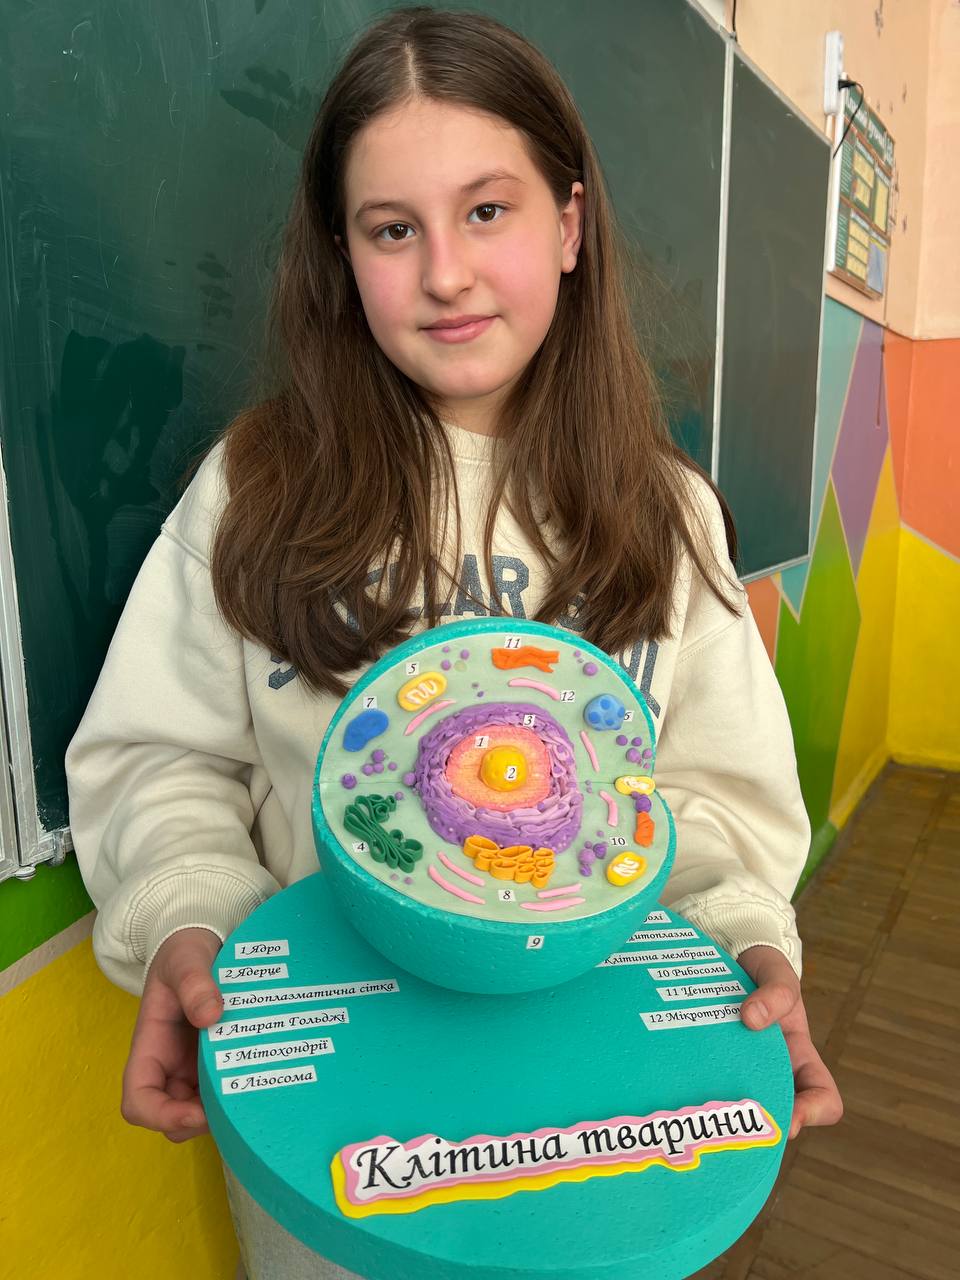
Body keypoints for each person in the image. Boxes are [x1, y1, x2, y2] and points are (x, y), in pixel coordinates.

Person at [65, 5, 842, 1274]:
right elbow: (164, 758)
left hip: (602, 1113)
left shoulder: (666, 514)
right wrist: (192, 915)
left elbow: (711, 796)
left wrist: (744, 940)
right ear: (342, 253)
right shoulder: (257, 489)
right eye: (392, 229)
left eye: (488, 210)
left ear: (571, 226)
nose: (444, 273)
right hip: (340, 1137)